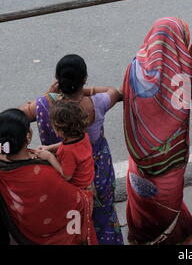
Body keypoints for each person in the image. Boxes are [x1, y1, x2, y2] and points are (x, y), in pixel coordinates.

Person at [19, 54, 124, 245]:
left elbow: (19, 115)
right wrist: (87, 90)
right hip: (97, 175)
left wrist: (46, 95)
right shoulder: (96, 103)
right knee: (103, 217)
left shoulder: (44, 106)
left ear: (58, 81)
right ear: (83, 79)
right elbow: (114, 91)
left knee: (73, 223)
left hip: (63, 183)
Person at [122, 17, 192, 245]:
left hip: (141, 159)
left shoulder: (134, 68)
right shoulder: (182, 73)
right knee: (165, 205)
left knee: (145, 202)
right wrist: (191, 50)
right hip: (170, 163)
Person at [0, 108, 97, 245]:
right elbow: (78, 200)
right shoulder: (45, 175)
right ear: (28, 136)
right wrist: (88, 193)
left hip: (22, 232)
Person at [36, 101, 95, 191]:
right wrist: (49, 147)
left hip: (77, 188)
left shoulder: (67, 151)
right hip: (87, 179)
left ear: (61, 131)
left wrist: (49, 156)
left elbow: (66, 176)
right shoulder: (83, 135)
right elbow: (70, 146)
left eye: (54, 128)